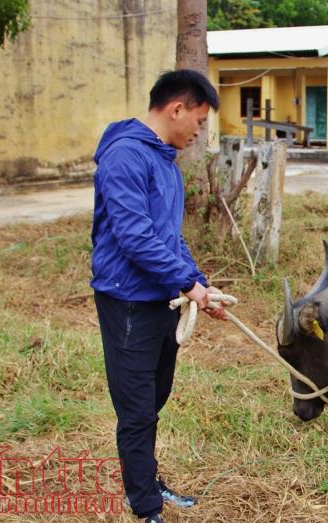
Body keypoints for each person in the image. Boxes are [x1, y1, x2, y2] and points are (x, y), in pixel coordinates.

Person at [90, 69, 227, 523]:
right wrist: (187, 284)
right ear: (177, 109)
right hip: (128, 300)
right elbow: (135, 237)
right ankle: (144, 504)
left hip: (158, 300)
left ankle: (145, 479)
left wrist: (199, 284)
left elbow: (168, 238)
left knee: (154, 397)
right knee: (136, 408)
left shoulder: (164, 162)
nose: (199, 131)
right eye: (200, 121)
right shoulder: (126, 156)